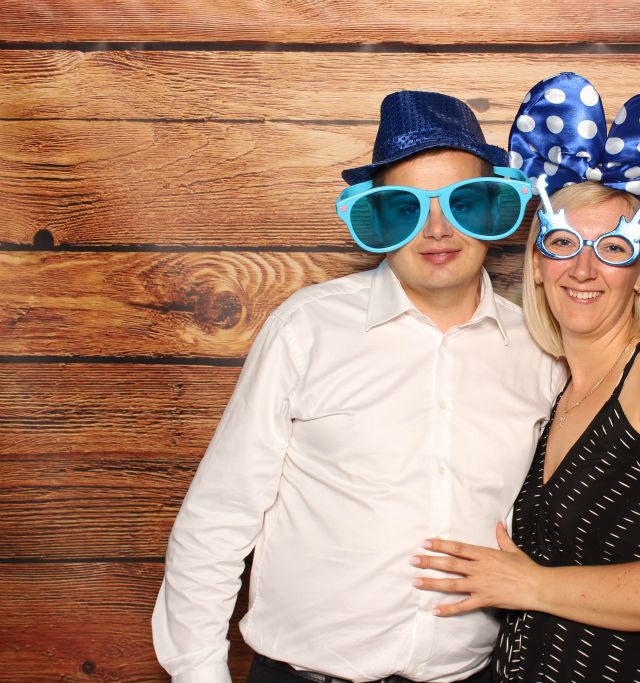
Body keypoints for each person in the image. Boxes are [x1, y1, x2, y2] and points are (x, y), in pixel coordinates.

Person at [152, 90, 564, 683]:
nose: (438, 229)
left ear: (492, 207)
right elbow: (219, 515)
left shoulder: (537, 350)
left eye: (463, 202)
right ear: (378, 219)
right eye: (405, 208)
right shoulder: (307, 329)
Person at [410, 73, 640, 682]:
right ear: (538, 264)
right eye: (563, 243)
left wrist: (529, 585)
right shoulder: (553, 390)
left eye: (613, 249)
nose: (583, 269)